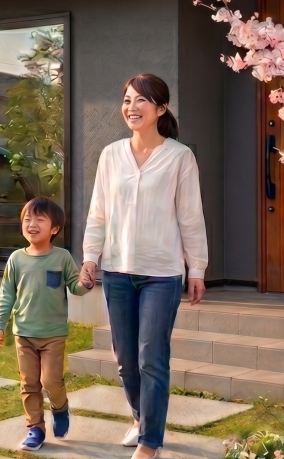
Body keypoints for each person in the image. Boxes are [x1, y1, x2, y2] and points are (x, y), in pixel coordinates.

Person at [80, 74, 208, 459]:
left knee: (152, 357)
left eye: (141, 100)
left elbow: (190, 217)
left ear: (161, 108)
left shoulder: (180, 157)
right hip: (117, 271)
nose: (131, 107)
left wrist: (197, 268)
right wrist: (90, 256)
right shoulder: (111, 155)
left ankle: (150, 442)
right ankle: (140, 418)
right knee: (125, 360)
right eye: (127, 100)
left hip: (162, 274)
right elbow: (98, 212)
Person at [0, 197, 91, 453]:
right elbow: (6, 293)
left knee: (50, 381)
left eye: (39, 219)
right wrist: (0, 322)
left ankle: (60, 408)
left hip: (53, 335)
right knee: (29, 384)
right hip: (24, 333)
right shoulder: (16, 259)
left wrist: (86, 283)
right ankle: (35, 428)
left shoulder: (62, 257)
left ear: (54, 228)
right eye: (27, 219)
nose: (32, 224)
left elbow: (76, 287)